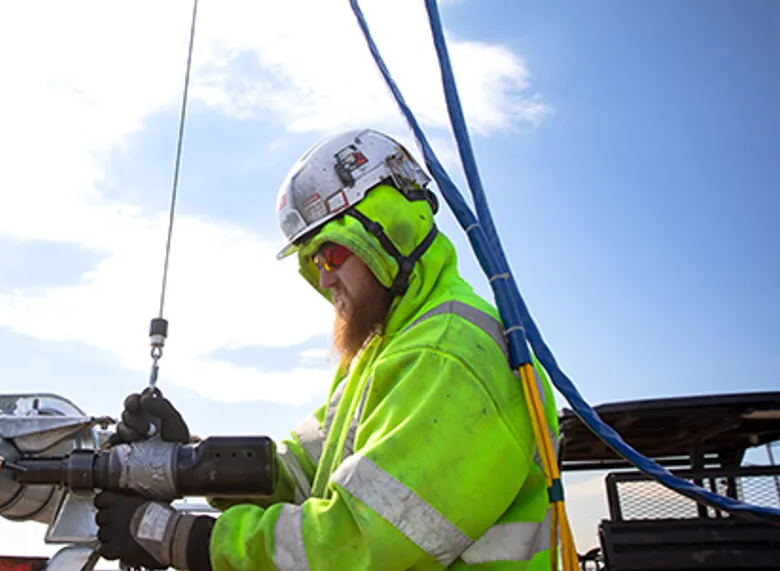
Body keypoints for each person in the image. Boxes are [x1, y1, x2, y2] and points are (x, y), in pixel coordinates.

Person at [94, 129, 558, 570]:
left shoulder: (448, 354)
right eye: (314, 261)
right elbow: (297, 473)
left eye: (332, 254)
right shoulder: (387, 350)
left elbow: (354, 544)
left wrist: (180, 538)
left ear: (389, 229)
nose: (324, 278)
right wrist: (189, 461)